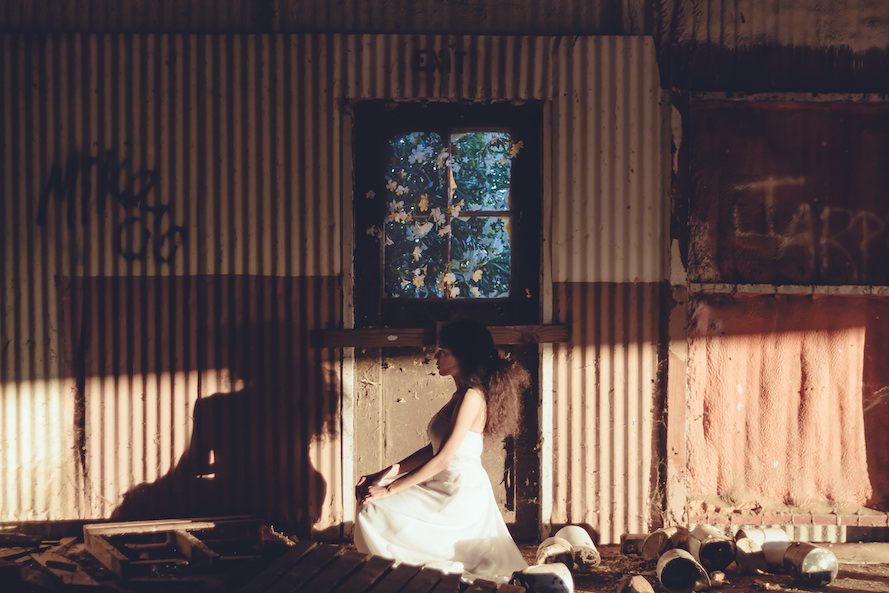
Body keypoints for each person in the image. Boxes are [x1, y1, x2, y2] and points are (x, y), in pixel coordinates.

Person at [353, 319, 531, 583]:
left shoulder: (472, 396)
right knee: (371, 499)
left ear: (463, 355)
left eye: (443, 351)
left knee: (373, 510)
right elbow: (432, 449)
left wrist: (389, 489)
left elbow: (443, 458)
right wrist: (382, 474)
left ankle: (403, 581)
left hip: (458, 492)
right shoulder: (460, 394)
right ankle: (404, 579)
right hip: (443, 483)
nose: (435, 357)